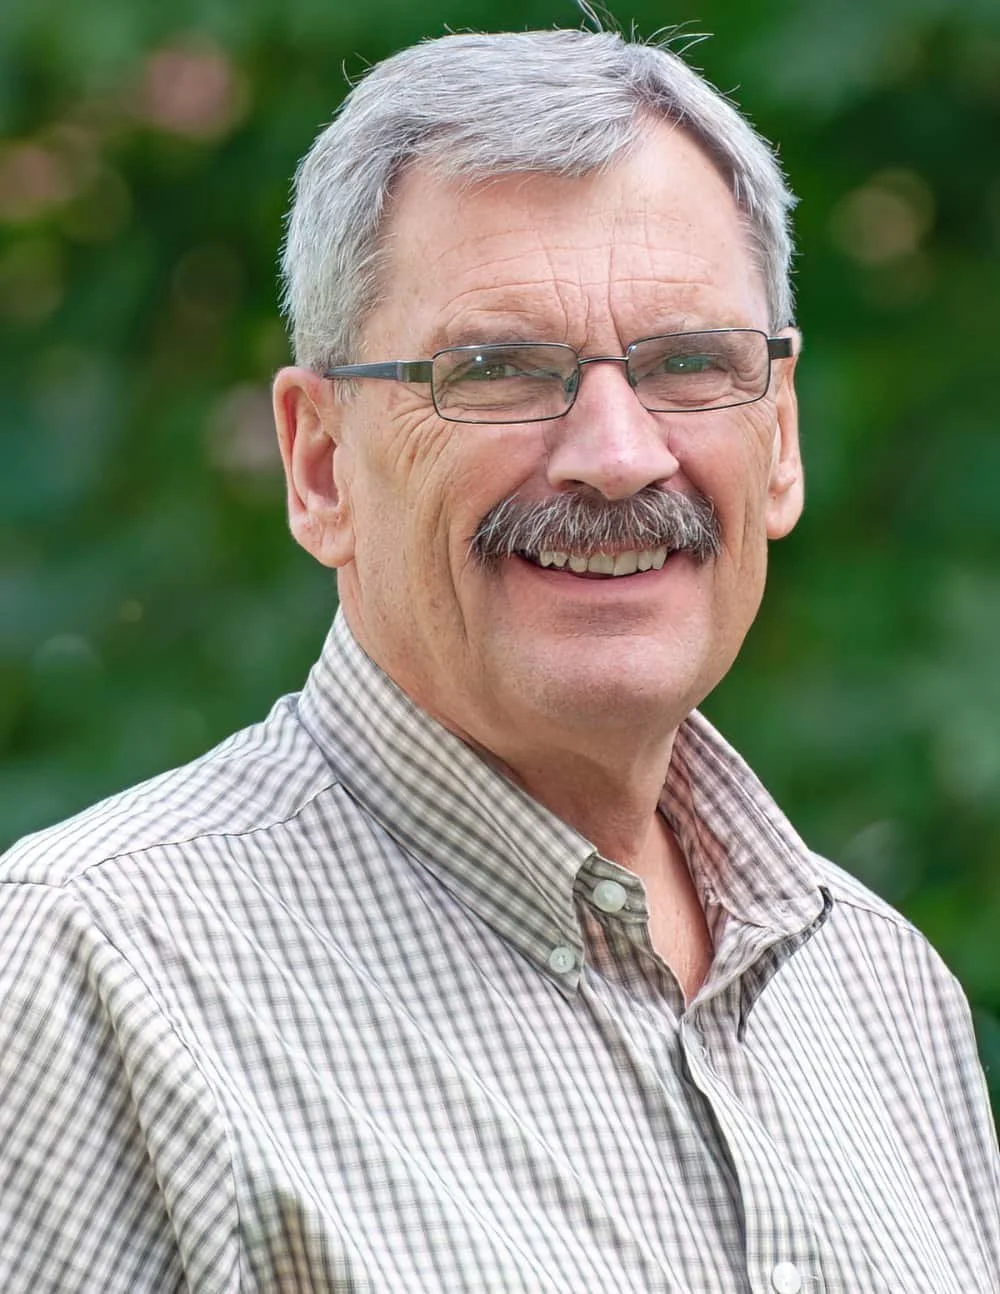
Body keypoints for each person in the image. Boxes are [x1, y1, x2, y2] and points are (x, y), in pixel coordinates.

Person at [1, 24, 997, 1294]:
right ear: (320, 466)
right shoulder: (88, 974)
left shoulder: (881, 995)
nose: (617, 455)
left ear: (782, 441)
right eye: (499, 372)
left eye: (689, 363)